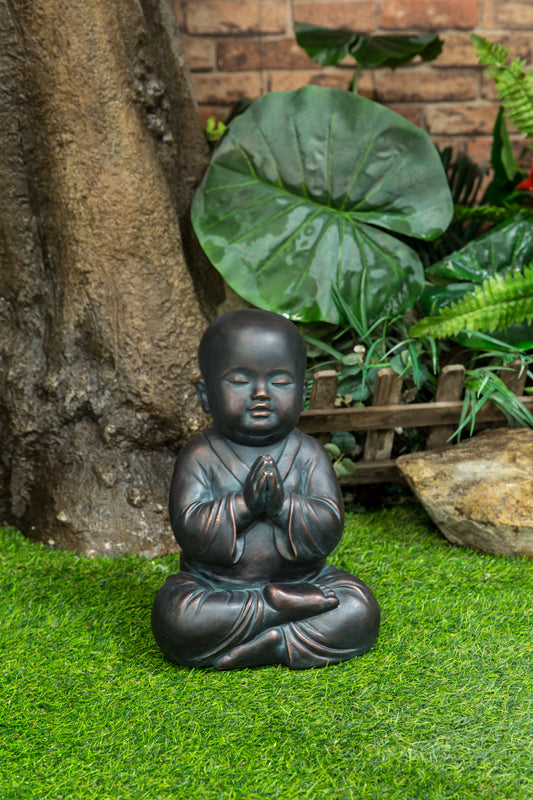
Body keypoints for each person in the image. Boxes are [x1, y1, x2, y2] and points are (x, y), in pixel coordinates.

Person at [151, 309, 380, 669]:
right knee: (177, 615)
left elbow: (329, 529)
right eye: (240, 381)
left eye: (280, 381)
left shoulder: (307, 454)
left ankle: (273, 642)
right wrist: (244, 504)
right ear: (205, 394)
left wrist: (282, 505)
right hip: (216, 586)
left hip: (306, 580)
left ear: (303, 393)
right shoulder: (199, 455)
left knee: (358, 607)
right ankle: (273, 609)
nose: (261, 394)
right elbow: (190, 530)